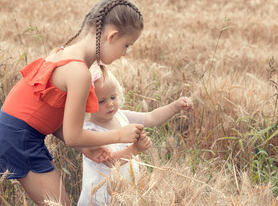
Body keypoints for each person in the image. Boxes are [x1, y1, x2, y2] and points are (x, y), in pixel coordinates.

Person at [0, 0, 145, 206]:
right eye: (127, 45)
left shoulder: (64, 54)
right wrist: (119, 134)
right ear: (112, 36)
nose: (125, 53)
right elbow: (73, 136)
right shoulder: (78, 72)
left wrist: (85, 148)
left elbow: (49, 119)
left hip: (16, 133)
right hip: (20, 139)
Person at [78, 66, 193, 206]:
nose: (110, 104)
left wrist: (174, 107)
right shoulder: (89, 132)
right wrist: (135, 149)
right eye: (101, 101)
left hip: (126, 192)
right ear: (86, 104)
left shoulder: (121, 115)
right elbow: (110, 162)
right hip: (101, 197)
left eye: (113, 97)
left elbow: (151, 117)